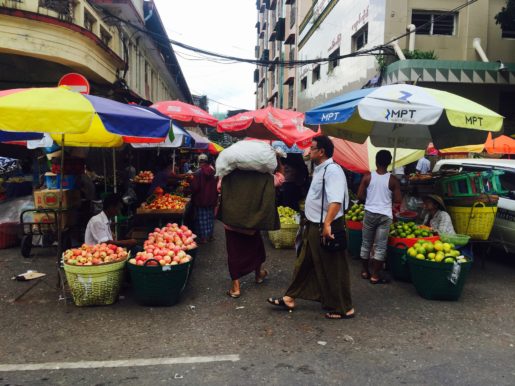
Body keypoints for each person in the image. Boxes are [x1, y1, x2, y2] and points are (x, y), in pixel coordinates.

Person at [267, 135, 354, 320]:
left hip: (326, 226)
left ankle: (344, 307)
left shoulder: (332, 171)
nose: (308, 151)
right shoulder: (321, 169)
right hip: (313, 224)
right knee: (304, 262)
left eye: (312, 148)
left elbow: (336, 200)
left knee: (333, 266)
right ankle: (290, 297)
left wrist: (327, 224)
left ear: (321, 152)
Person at [219, 153, 285, 298]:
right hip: (253, 223)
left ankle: (236, 287)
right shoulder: (263, 177)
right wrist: (278, 161)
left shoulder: (228, 176)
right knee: (256, 249)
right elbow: (280, 179)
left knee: (234, 253)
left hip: (232, 221)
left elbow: (219, 188)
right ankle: (259, 274)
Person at [358, 150, 402, 284]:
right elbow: (398, 199)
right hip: (385, 215)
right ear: (389, 162)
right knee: (380, 247)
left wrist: (370, 200)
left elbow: (359, 196)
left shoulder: (367, 177)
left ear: (376, 161)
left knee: (366, 244)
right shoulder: (393, 180)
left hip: (370, 213)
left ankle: (365, 271)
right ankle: (375, 275)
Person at [191, 154, 218, 244]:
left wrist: (190, 188)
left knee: (202, 219)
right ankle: (210, 236)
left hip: (201, 199)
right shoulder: (213, 171)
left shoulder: (198, 173)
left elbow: (195, 187)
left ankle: (204, 238)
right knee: (210, 218)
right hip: (211, 199)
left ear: (200, 162)